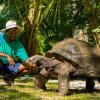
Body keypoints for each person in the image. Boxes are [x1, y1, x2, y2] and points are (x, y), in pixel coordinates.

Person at [0, 20, 36, 86]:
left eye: (15, 33)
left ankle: (10, 77)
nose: (13, 35)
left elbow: (25, 59)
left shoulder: (18, 45)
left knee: (32, 68)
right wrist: (7, 56)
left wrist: (31, 63)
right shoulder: (0, 36)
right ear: (6, 32)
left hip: (9, 66)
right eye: (11, 33)